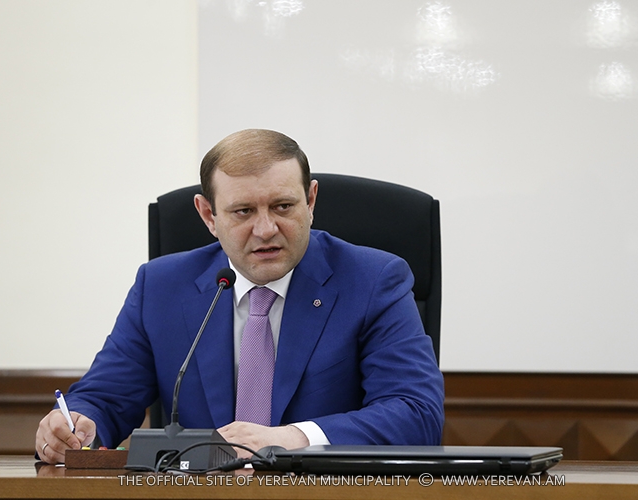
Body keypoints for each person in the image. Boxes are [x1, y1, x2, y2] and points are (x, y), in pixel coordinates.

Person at [35, 129, 444, 464]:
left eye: (283, 206)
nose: (266, 229)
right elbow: (105, 398)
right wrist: (77, 425)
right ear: (208, 215)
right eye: (243, 211)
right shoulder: (161, 286)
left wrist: (293, 438)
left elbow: (416, 413)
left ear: (311, 201)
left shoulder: (373, 281)